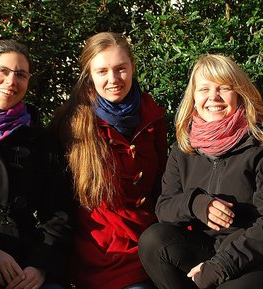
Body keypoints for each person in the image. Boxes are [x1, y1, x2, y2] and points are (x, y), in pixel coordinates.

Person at [138, 54, 263, 289]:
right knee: (153, 240)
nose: (213, 97)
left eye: (223, 88)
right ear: (193, 97)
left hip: (260, 257)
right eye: (204, 89)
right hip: (206, 247)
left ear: (239, 94)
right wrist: (196, 203)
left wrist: (220, 266)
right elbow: (164, 208)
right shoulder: (184, 147)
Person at [51, 32, 167, 289]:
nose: (113, 79)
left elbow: (163, 181)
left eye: (120, 69)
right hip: (98, 246)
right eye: (102, 71)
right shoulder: (71, 123)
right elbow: (57, 197)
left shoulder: (152, 116)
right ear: (89, 74)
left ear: (132, 68)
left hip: (148, 236)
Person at [0, 39, 72, 289]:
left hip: (22, 263)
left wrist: (40, 266)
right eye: (2, 71)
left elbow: (59, 214)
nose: (11, 81)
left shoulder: (40, 141)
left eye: (20, 74)